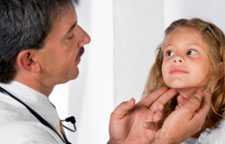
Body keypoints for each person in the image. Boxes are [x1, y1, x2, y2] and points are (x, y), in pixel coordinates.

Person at [0, 0, 211, 143]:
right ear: (29, 60)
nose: (86, 38)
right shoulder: (23, 136)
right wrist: (165, 140)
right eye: (70, 35)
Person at [144, 18, 225, 144]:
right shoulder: (154, 122)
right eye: (169, 53)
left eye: (191, 52)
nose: (176, 58)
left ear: (219, 70)